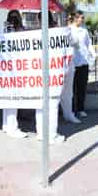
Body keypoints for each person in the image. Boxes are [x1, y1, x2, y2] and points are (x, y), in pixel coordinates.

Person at [35, 11, 65, 144]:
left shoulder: (33, 34)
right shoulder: (57, 33)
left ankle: (41, 133)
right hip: (52, 73)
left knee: (40, 104)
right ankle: (51, 135)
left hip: (37, 74)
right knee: (52, 105)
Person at [2, 11, 28, 138]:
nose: (14, 19)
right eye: (12, 17)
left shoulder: (23, 30)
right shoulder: (6, 29)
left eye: (16, 17)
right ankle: (11, 127)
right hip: (9, 68)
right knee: (10, 97)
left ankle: (7, 125)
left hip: (19, 67)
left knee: (11, 98)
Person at [70, 11, 96, 118]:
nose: (82, 19)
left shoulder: (84, 30)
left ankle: (80, 109)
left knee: (82, 87)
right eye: (81, 18)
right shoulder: (69, 30)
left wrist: (94, 54)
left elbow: (88, 44)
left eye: (83, 18)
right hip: (73, 63)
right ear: (76, 18)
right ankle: (71, 110)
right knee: (72, 89)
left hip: (84, 62)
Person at [59, 13, 82, 124]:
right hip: (54, 66)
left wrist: (67, 32)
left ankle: (69, 115)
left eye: (68, 19)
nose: (67, 20)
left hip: (68, 65)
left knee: (68, 92)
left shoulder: (68, 30)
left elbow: (76, 43)